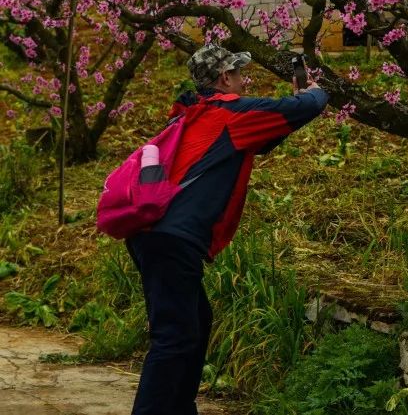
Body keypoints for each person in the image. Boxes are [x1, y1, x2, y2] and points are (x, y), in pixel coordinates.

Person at [127, 44, 329, 414]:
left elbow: (263, 138)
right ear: (224, 78)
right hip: (173, 239)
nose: (243, 80)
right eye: (238, 74)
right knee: (173, 337)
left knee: (196, 322)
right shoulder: (230, 112)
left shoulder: (192, 115)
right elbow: (303, 108)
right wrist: (316, 92)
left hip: (151, 235)